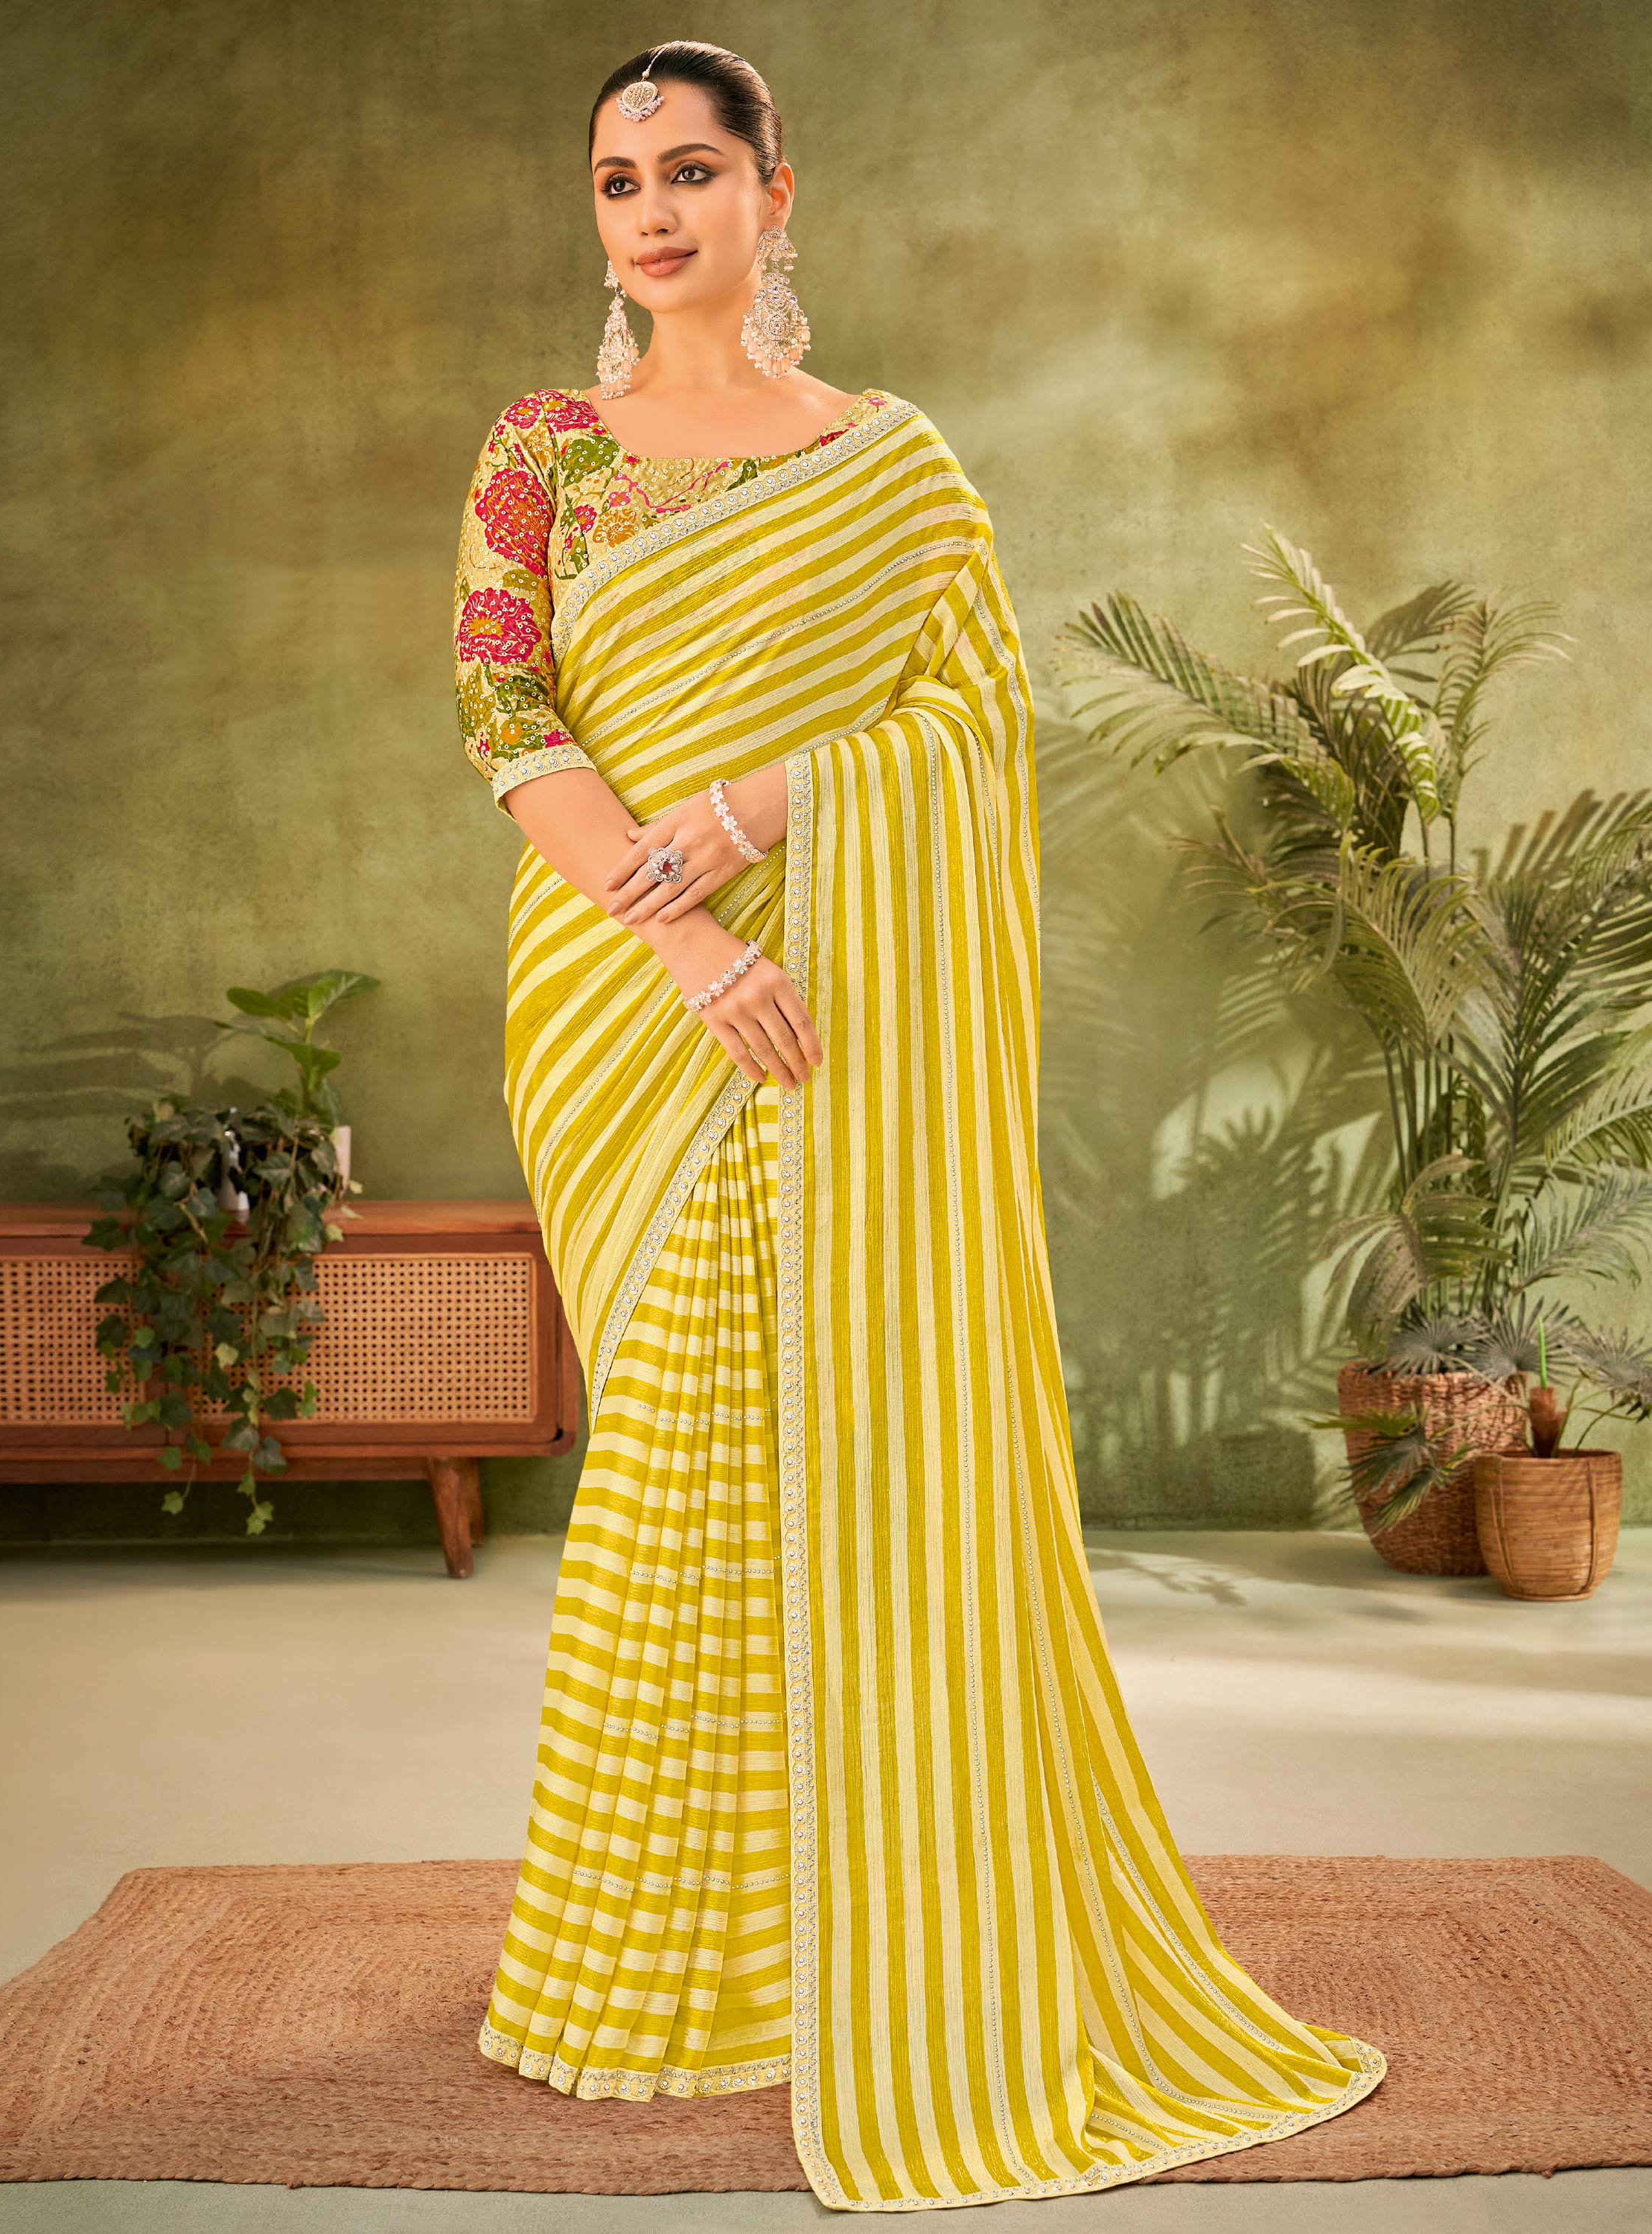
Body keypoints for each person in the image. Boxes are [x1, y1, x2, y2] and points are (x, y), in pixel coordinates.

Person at [452, 39, 1385, 2215]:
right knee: (677, 1470)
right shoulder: (546, 451)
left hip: (855, 1018)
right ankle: (657, 1971)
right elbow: (504, 707)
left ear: (779, 191)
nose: (655, 212)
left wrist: (773, 802)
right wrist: (692, 935)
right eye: (620, 181)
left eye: (695, 169)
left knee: (835, 1461)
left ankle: (841, 1946)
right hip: (633, 1006)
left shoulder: (891, 462)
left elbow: (971, 724)